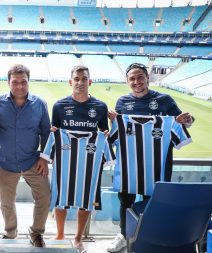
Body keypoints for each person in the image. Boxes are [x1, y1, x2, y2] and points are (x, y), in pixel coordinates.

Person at [106, 62, 194, 253]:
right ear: (127, 81)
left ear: (147, 78)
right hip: (129, 166)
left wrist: (188, 120)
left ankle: (148, 238)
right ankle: (124, 235)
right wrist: (113, 121)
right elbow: (116, 132)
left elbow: (182, 122)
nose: (136, 82)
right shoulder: (122, 102)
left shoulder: (165, 100)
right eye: (132, 78)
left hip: (157, 166)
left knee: (152, 202)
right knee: (126, 201)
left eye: (140, 77)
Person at [0, 64, 51, 248]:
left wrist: (44, 157)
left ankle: (36, 232)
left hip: (33, 161)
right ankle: (10, 231)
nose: (19, 86)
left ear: (28, 81)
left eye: (23, 82)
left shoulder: (40, 104)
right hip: (5, 162)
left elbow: (46, 133)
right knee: (6, 202)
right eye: (15, 82)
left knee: (44, 197)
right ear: (8, 82)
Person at [50, 65, 109, 252]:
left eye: (84, 79)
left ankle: (78, 238)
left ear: (90, 82)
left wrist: (106, 134)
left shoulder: (100, 107)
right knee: (61, 197)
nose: (80, 82)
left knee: (87, 198)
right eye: (77, 79)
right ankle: (60, 234)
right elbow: (54, 133)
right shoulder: (59, 106)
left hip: (90, 162)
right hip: (65, 160)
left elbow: (103, 132)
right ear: (70, 82)